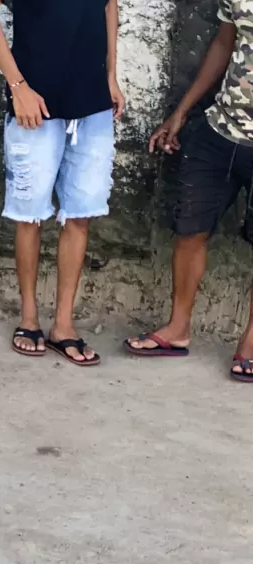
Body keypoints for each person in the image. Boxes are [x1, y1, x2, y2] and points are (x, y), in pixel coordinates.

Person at [0, 0, 124, 365]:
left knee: (80, 215)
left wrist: (111, 76)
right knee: (30, 216)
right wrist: (18, 88)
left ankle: (63, 325)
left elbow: (109, 5)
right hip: (35, 106)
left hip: (92, 105)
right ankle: (29, 319)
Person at [125, 0, 253, 382]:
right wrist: (181, 111)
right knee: (190, 229)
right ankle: (178, 328)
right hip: (220, 130)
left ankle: (250, 344)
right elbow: (224, 42)